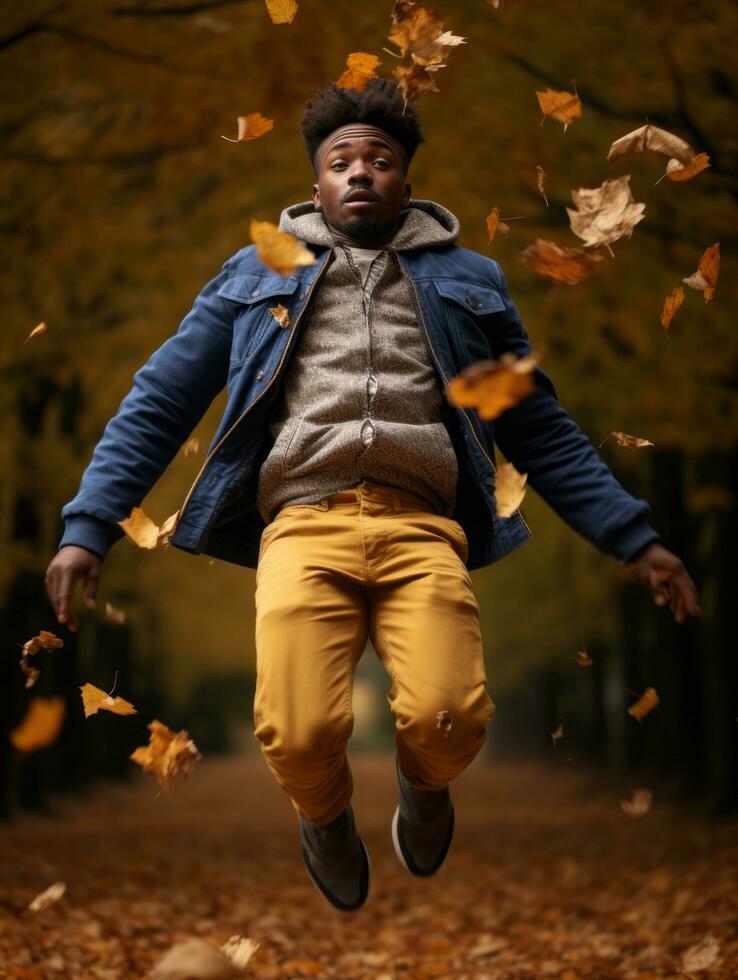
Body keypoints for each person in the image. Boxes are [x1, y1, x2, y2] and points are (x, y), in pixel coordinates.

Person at [45, 79, 701, 912]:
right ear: (315, 183)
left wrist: (635, 538)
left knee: (451, 718)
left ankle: (425, 791)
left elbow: (539, 429)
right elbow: (159, 399)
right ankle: (324, 819)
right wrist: (88, 525)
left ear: (405, 180)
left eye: (379, 161)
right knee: (299, 731)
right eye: (340, 161)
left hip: (423, 526)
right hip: (303, 527)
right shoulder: (257, 273)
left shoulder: (471, 279)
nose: (360, 173)